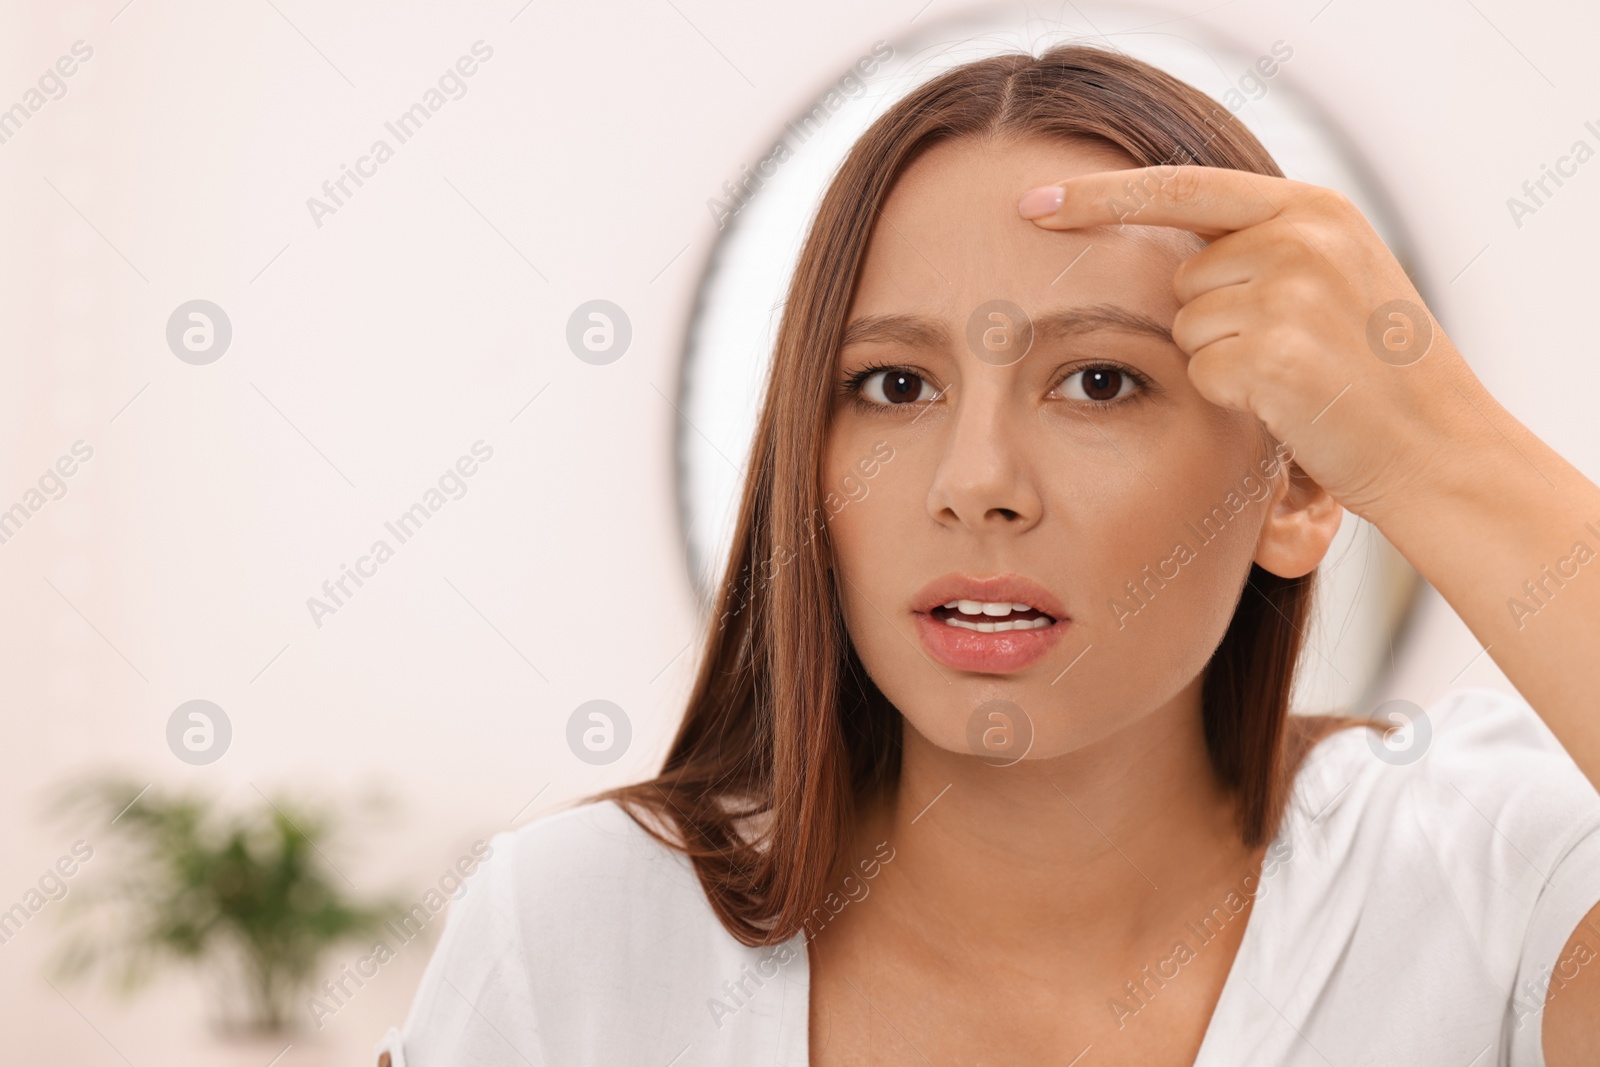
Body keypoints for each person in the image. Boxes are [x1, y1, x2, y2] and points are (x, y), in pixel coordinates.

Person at [376, 42, 1600, 1065]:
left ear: (1293, 485)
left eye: (1099, 379)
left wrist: (1439, 445)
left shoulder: (1481, 877)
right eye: (895, 383)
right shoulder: (575, 931)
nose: (976, 486)